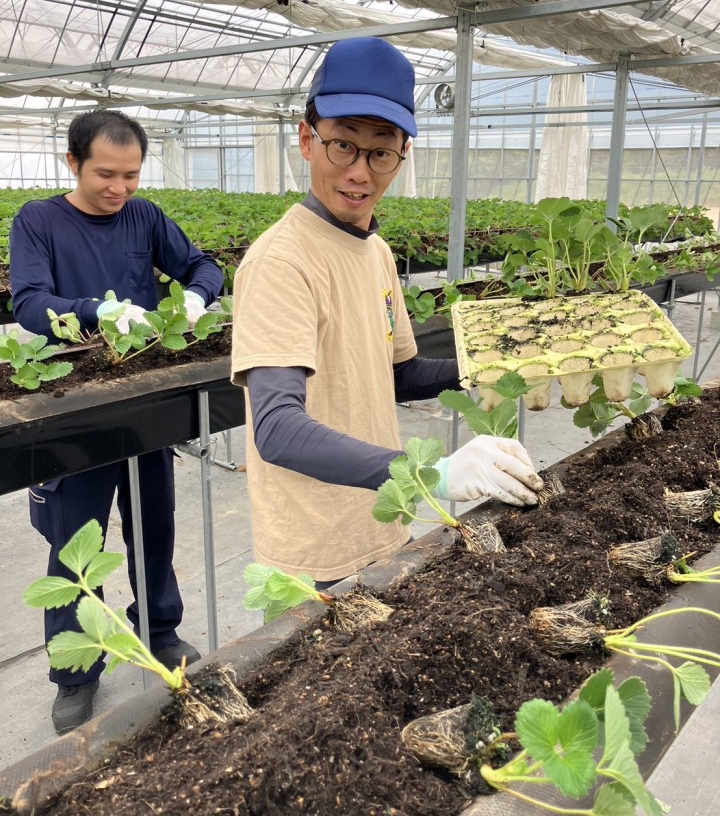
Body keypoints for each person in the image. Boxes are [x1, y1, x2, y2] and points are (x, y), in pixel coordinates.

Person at [231, 37, 543, 587]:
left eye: (381, 151)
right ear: (307, 140)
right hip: (317, 553)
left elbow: (394, 373)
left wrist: (487, 367)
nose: (360, 172)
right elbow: (276, 429)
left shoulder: (373, 250)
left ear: (403, 156)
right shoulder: (279, 262)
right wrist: (434, 473)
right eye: (343, 146)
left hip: (386, 519)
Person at [10, 109, 223, 735]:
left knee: (153, 524)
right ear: (72, 162)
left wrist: (194, 296)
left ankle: (161, 630)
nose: (119, 189)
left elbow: (204, 265)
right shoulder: (40, 221)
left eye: (131, 175)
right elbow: (27, 302)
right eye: (106, 174)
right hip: (70, 409)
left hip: (140, 402)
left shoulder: (145, 216)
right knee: (75, 545)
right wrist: (97, 311)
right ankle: (76, 672)